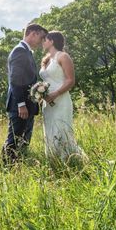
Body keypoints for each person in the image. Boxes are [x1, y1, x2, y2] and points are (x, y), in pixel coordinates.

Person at [1, 23, 48, 166]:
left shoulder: (26, 52)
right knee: (14, 140)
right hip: (20, 106)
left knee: (23, 140)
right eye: (40, 37)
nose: (41, 42)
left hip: (28, 106)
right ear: (32, 33)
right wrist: (21, 104)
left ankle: (18, 168)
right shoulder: (19, 51)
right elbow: (15, 80)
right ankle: (5, 169)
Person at [40, 31, 84, 163]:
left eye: (45, 40)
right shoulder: (46, 60)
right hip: (47, 102)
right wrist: (40, 92)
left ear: (52, 41)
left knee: (61, 130)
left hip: (61, 99)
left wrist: (56, 94)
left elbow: (70, 80)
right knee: (49, 131)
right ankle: (54, 161)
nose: (43, 42)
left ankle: (70, 161)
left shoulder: (63, 57)